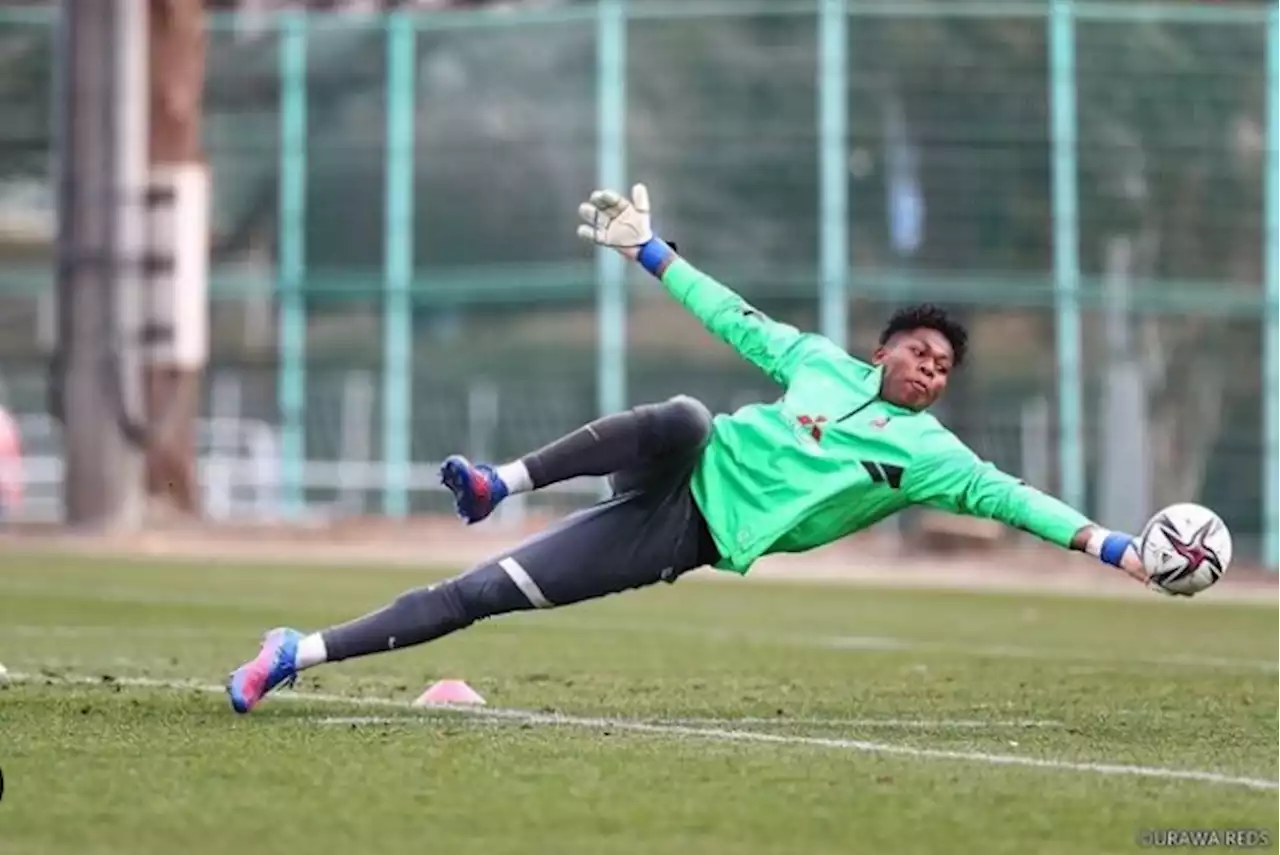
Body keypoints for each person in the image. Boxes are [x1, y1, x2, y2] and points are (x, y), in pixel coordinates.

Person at [226, 183, 1162, 714]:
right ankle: (495, 482)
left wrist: (1118, 549)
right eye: (920, 351)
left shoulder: (934, 457)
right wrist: (650, 250)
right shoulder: (817, 363)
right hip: (683, 462)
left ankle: (294, 650)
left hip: (679, 537)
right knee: (685, 414)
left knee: (475, 596)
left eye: (945, 366)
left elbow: (1018, 499)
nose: (931, 369)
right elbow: (734, 314)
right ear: (883, 349)